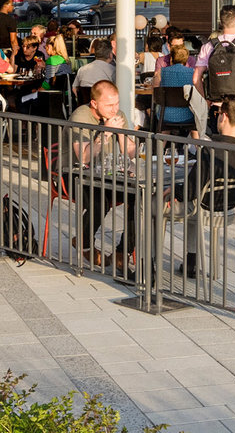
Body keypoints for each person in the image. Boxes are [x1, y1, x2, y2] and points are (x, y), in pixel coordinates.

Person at [69, 79, 143, 273]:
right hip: (76, 175)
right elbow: (83, 157)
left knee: (138, 198)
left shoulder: (119, 115)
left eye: (117, 103)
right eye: (109, 105)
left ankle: (122, 252)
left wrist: (120, 135)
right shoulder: (81, 116)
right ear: (94, 104)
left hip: (109, 175)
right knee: (100, 200)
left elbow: (131, 153)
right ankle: (85, 244)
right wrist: (106, 134)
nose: (114, 109)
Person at [155, 39, 199, 134]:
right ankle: (198, 147)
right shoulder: (192, 73)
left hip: (165, 115)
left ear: (171, 59)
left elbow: (155, 90)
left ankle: (160, 147)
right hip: (188, 115)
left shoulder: (161, 72)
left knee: (165, 127)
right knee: (195, 127)